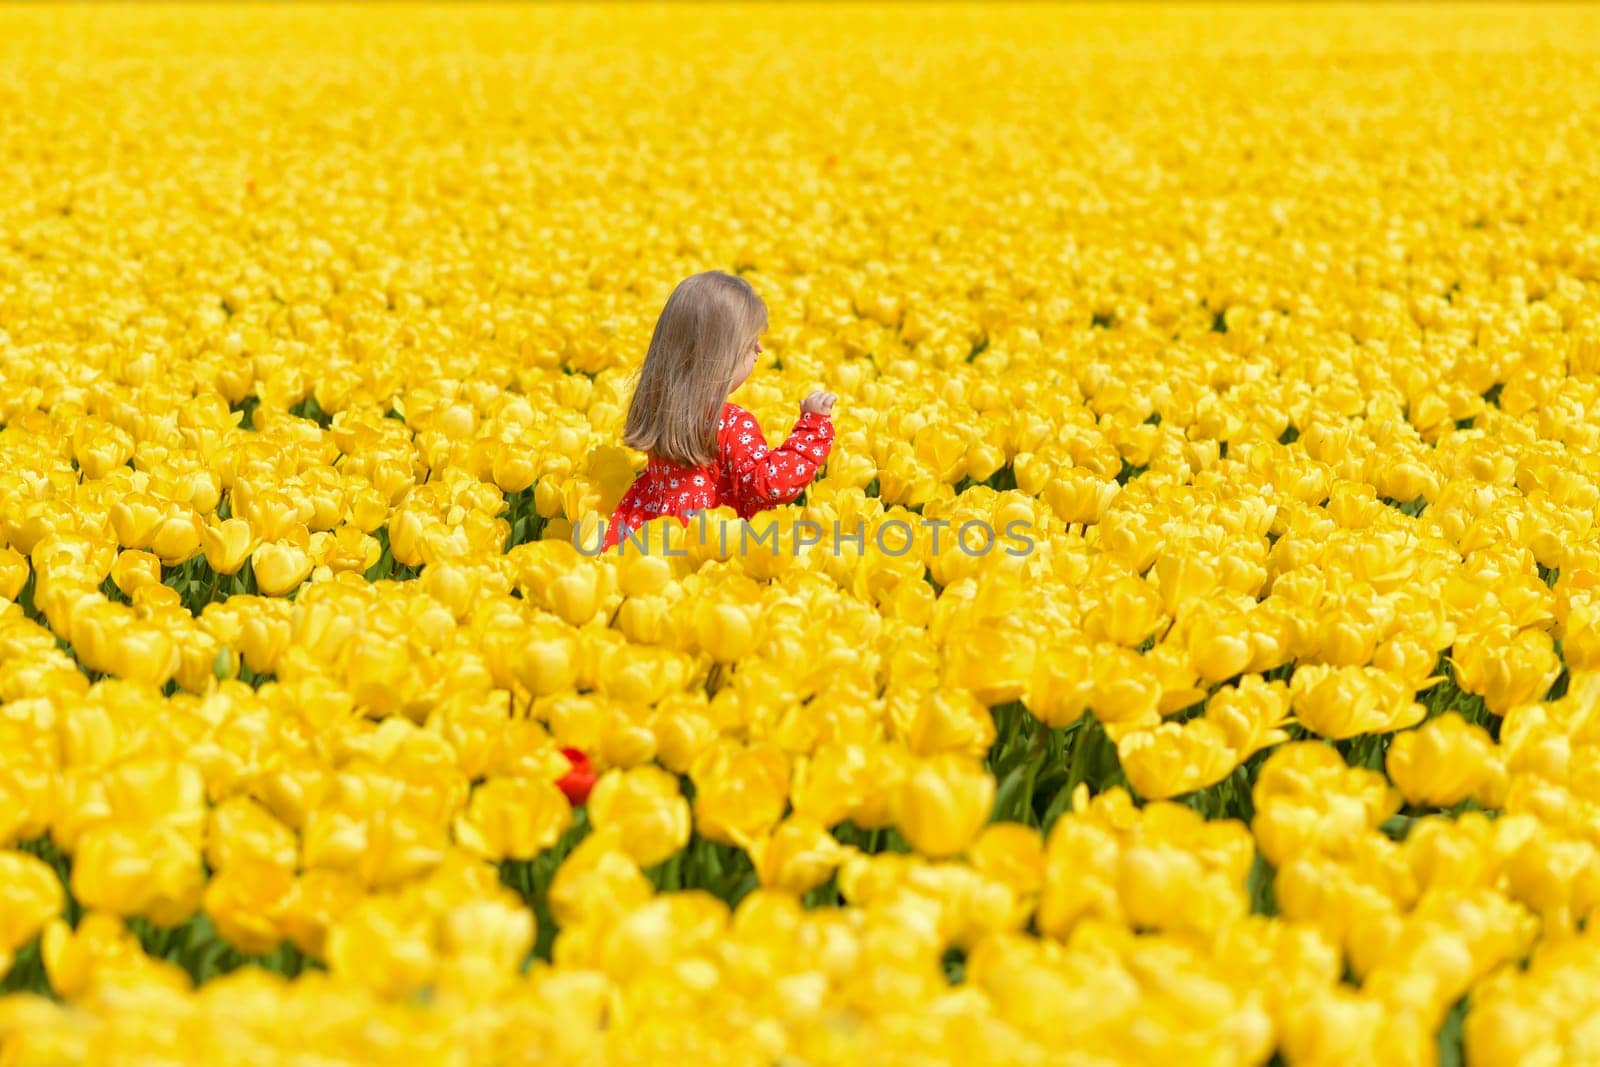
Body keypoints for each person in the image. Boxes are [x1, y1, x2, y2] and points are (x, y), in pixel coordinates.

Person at [599, 271, 836, 554]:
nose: (760, 349)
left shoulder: (657, 405)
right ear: (720, 354)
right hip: (708, 546)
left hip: (650, 538)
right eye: (750, 342)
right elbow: (769, 484)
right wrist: (812, 429)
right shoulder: (730, 423)